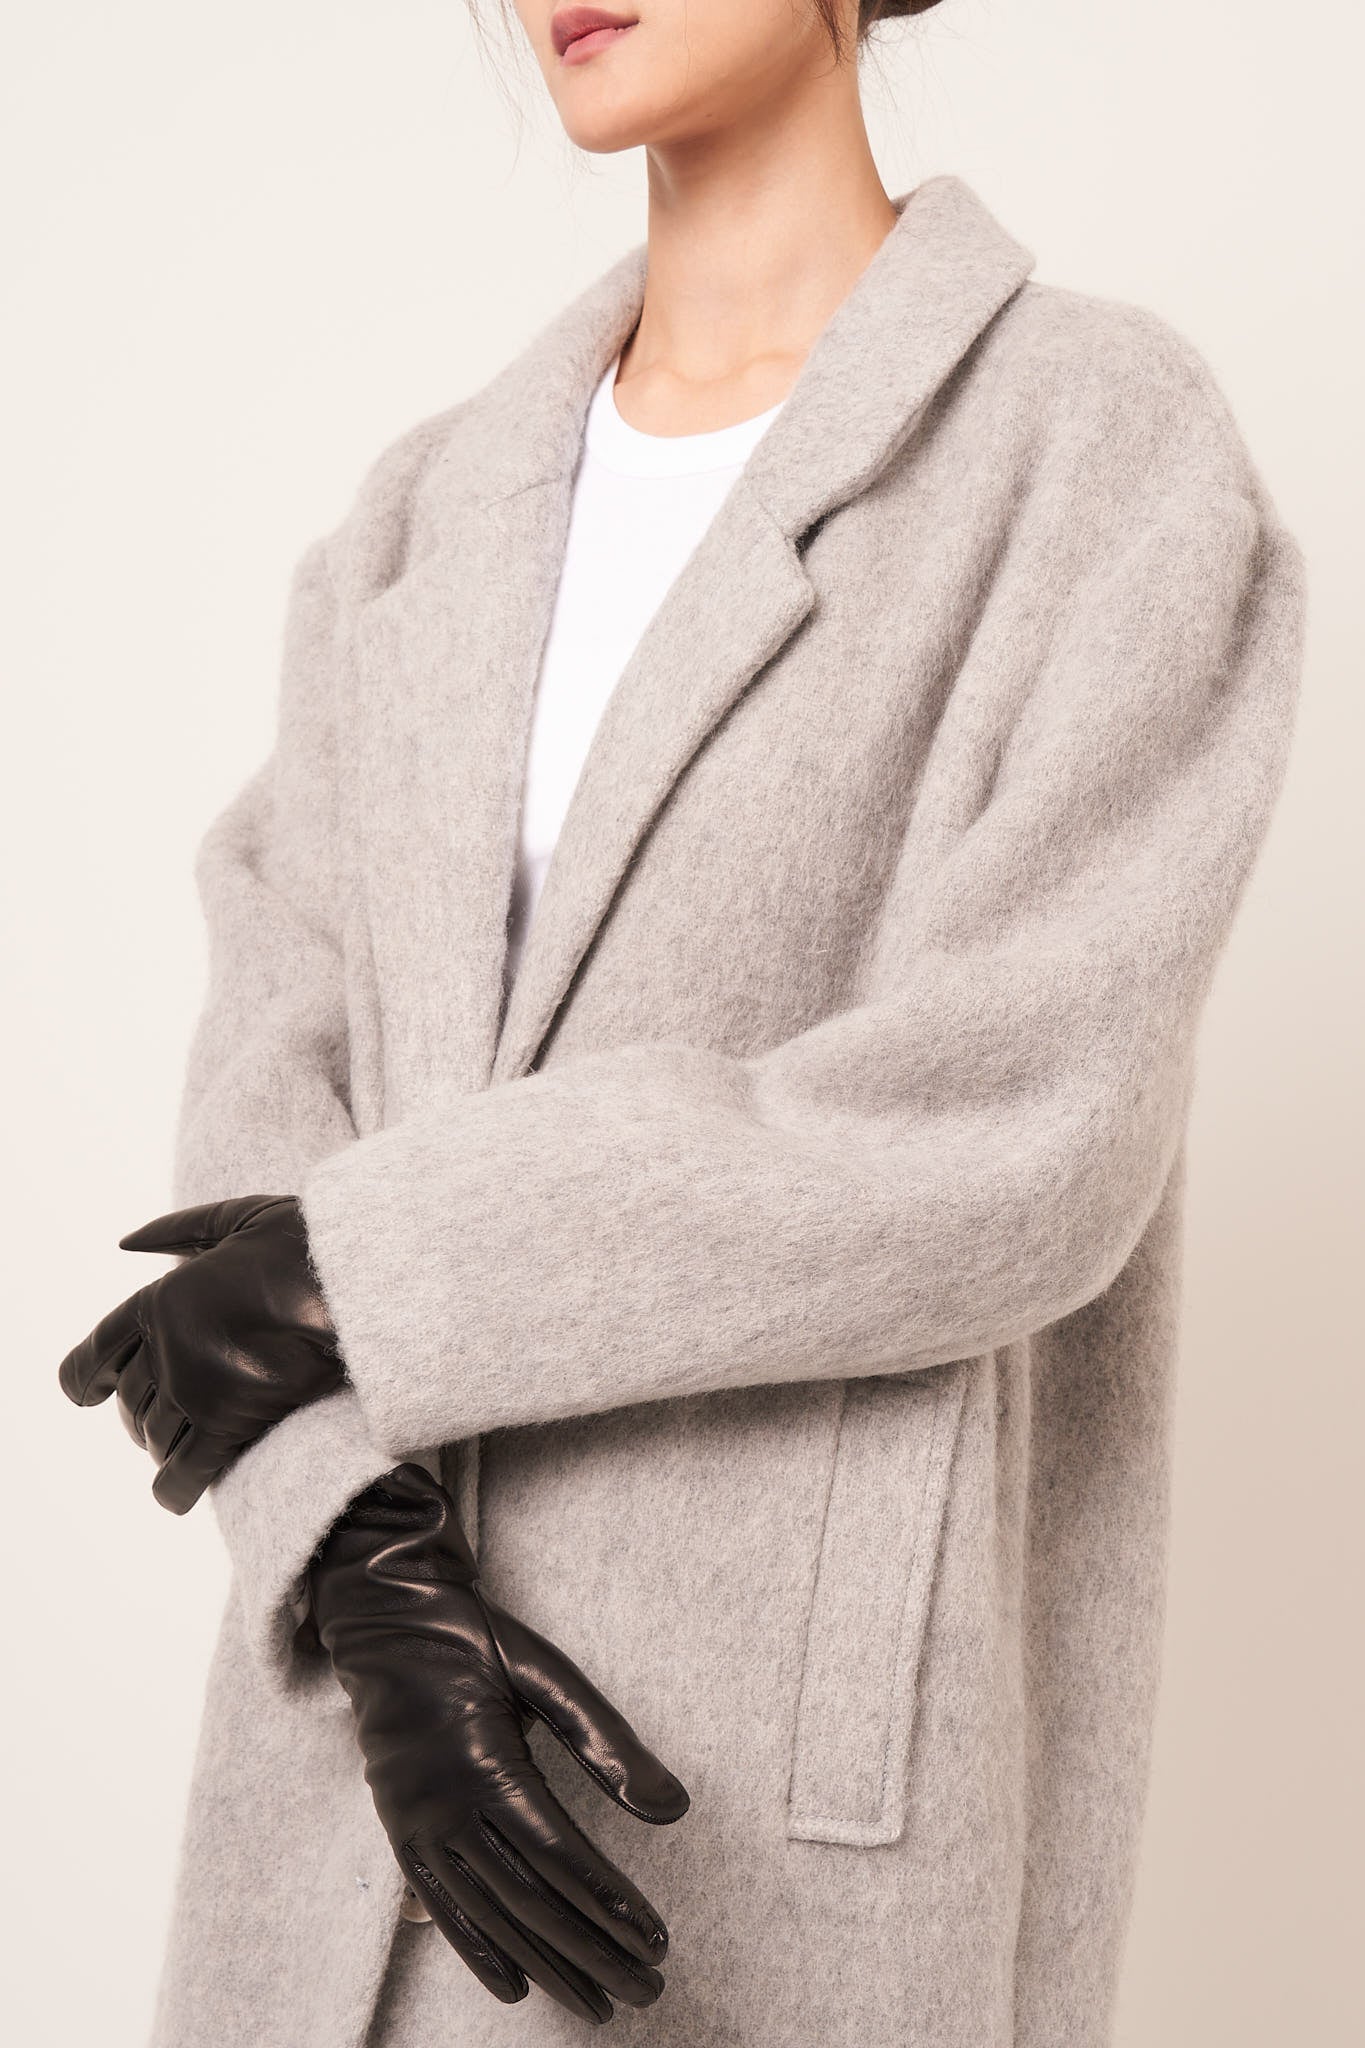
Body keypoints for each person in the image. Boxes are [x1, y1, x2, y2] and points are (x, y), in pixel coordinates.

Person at [56, 3, 1305, 2044]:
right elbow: (265, 1087)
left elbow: (1017, 1131)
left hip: (745, 1800)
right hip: (347, 1769)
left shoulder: (1093, 445)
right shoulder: (419, 515)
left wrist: (369, 1274)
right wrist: (353, 1550)